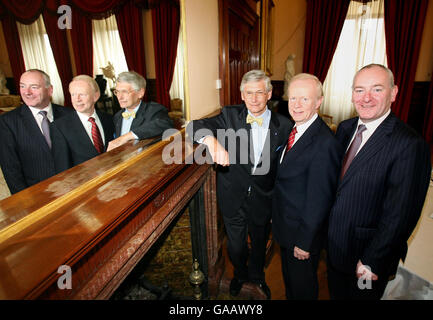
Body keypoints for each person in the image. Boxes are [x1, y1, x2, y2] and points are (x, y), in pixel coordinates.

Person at [327, 64, 431, 300]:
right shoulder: (345, 128)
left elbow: (401, 214)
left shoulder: (409, 145)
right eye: (359, 90)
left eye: (376, 89)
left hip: (368, 260)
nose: (366, 98)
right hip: (335, 248)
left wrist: (373, 259)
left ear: (394, 93)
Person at [189, 70, 290, 299]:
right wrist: (212, 142)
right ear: (242, 95)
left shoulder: (283, 125)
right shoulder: (229, 115)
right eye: (249, 93)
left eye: (259, 93)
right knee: (235, 247)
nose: (254, 98)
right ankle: (239, 275)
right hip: (232, 195)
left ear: (269, 94)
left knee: (259, 241)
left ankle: (257, 277)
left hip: (264, 197)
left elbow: (284, 168)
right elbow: (192, 127)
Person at [272, 73, 342, 300]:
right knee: (291, 286)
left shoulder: (324, 143)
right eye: (293, 98)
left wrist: (304, 242)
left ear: (318, 102)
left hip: (302, 238)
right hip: (287, 229)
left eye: (304, 99)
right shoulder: (294, 130)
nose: (297, 105)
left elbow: (320, 200)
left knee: (303, 291)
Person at [0, 69, 72, 194]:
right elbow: (10, 169)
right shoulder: (7, 122)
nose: (26, 92)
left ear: (50, 90)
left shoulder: (69, 115)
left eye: (34, 87)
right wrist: (24, 201)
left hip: (74, 188)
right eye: (22, 86)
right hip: (37, 195)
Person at [51, 75, 115, 173]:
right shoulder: (60, 127)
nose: (77, 99)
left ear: (95, 96)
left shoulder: (109, 119)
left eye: (82, 94)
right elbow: (63, 170)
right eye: (73, 94)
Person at [107, 71, 173, 151]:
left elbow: (165, 123)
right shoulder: (117, 116)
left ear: (140, 93)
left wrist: (127, 136)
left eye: (124, 92)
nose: (119, 97)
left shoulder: (154, 110)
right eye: (117, 92)